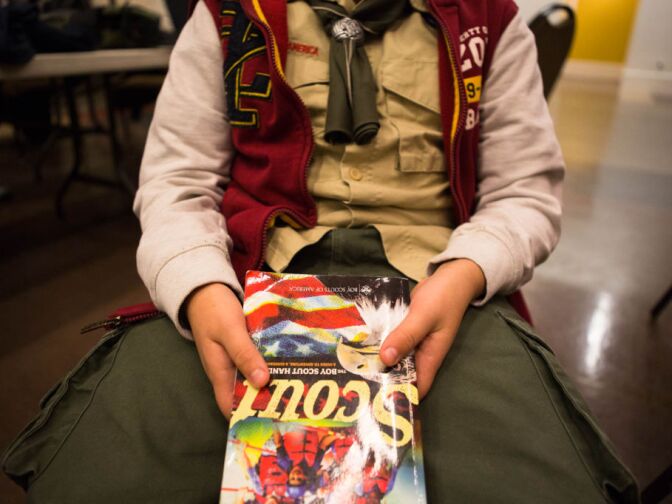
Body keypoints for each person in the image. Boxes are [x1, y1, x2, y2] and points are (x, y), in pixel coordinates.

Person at [2, 0, 639, 502]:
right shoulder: (226, 14)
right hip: (252, 276)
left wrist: (470, 269)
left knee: (523, 478)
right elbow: (177, 180)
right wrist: (198, 285)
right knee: (110, 469)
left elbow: (524, 190)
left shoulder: (489, 21)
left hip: (435, 287)